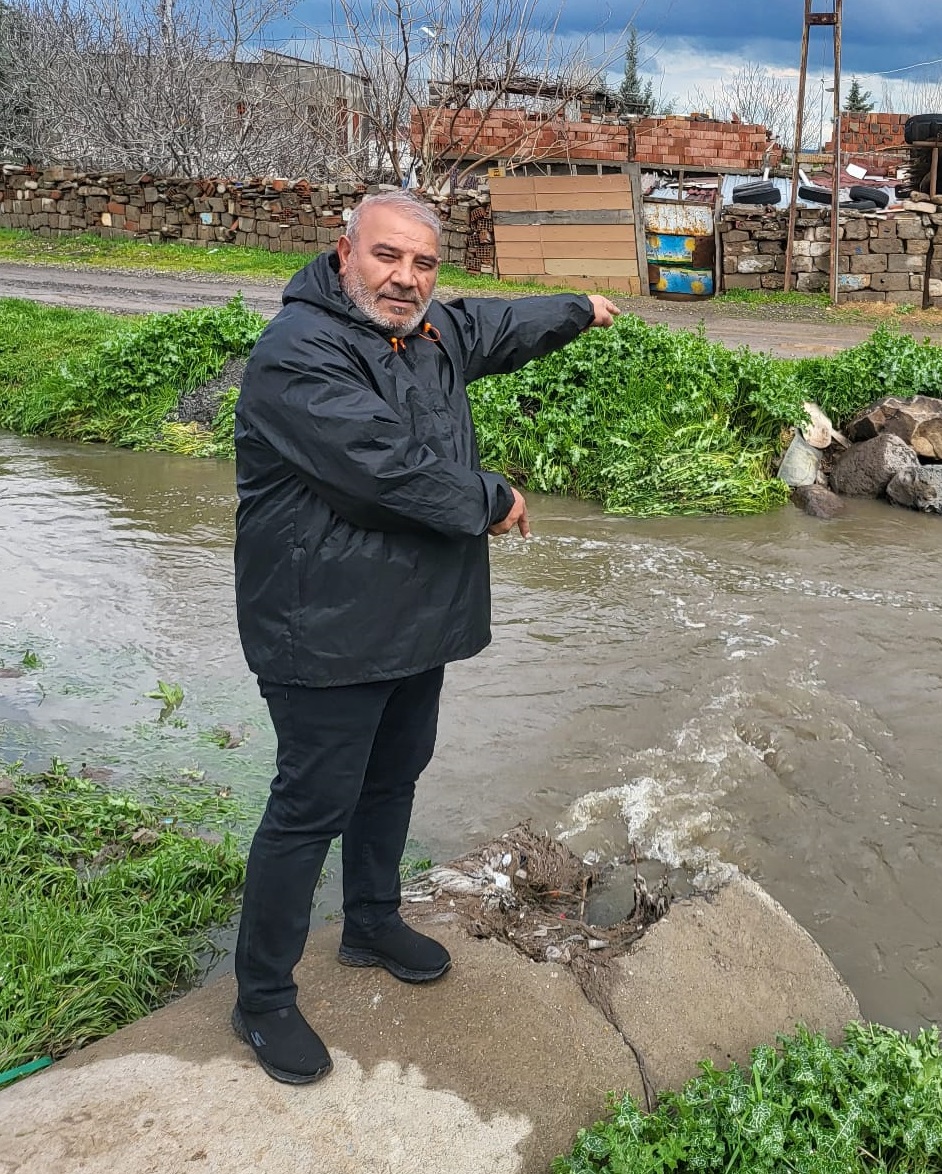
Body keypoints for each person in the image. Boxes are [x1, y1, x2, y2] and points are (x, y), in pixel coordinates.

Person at [230, 189, 619, 1084]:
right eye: (386, 257)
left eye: (423, 262)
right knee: (307, 811)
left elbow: (493, 327)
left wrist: (577, 311)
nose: (405, 278)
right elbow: (383, 471)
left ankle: (369, 922)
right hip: (322, 630)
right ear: (344, 253)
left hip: (412, 624)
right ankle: (262, 999)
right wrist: (493, 498)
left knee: (394, 778)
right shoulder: (301, 352)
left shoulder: (428, 331)